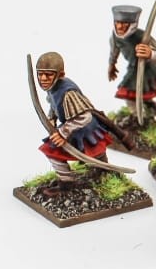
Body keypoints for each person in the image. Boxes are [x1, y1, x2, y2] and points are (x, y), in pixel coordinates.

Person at [35, 52, 113, 196]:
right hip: (80, 127)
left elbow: (84, 116)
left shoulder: (68, 92)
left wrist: (63, 132)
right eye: (40, 74)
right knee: (94, 149)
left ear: (60, 75)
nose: (43, 78)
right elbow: (54, 105)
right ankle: (103, 169)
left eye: (48, 74)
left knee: (52, 150)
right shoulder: (52, 88)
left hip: (83, 127)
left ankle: (66, 182)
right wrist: (51, 119)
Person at [107, 4, 156, 114]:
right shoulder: (114, 38)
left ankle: (146, 111)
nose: (119, 27)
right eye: (117, 23)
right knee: (131, 94)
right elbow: (114, 51)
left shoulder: (142, 36)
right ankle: (138, 115)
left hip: (149, 70)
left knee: (139, 92)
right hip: (133, 68)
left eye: (124, 24)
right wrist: (112, 65)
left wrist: (150, 53)